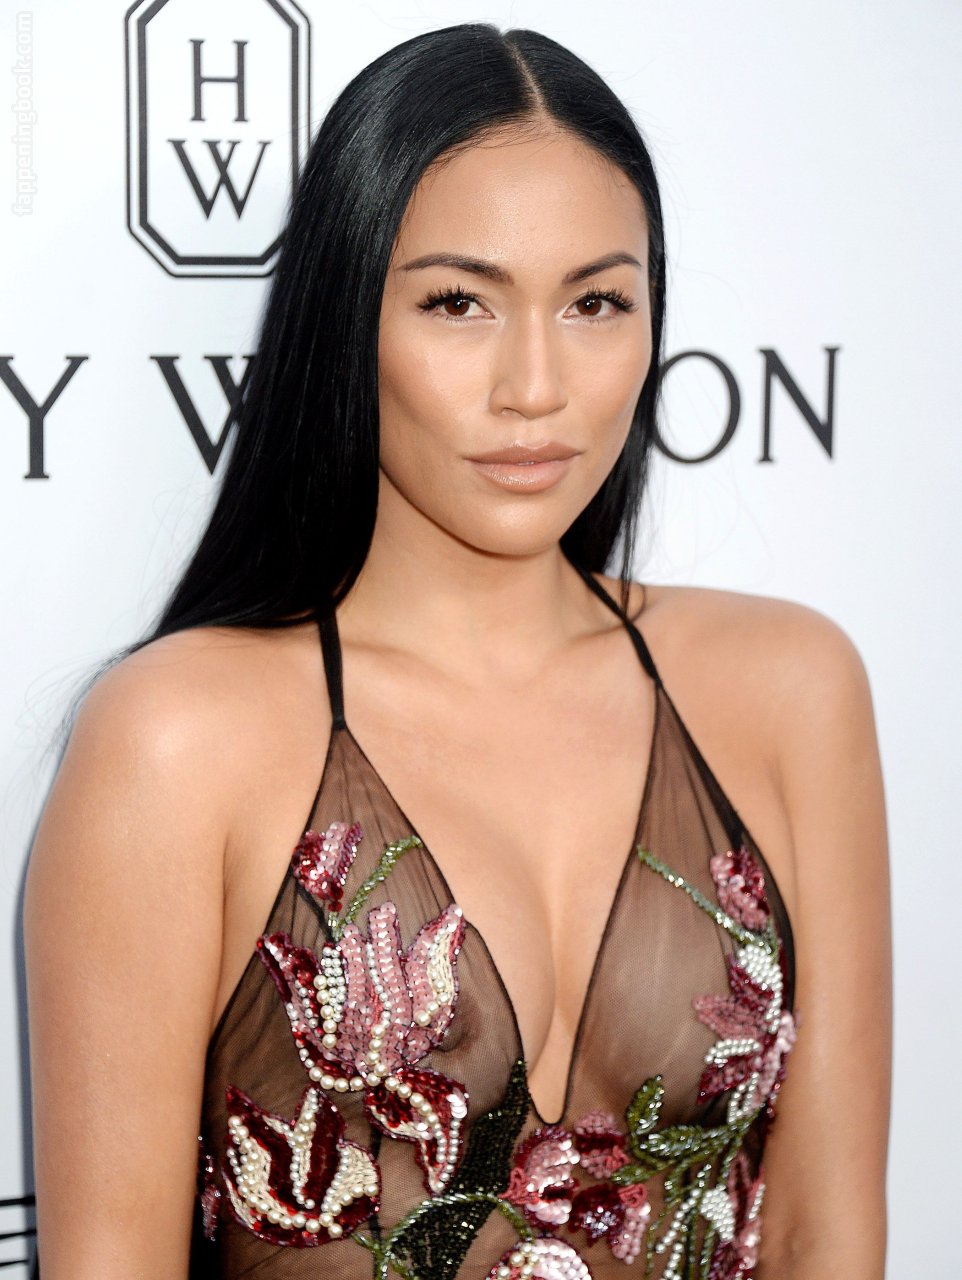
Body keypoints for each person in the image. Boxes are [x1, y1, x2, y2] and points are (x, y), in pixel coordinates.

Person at [22, 22, 890, 1280]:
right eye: (456, 302)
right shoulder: (178, 739)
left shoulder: (787, 689)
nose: (535, 384)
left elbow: (824, 1235)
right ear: (346, 317)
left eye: (594, 302)